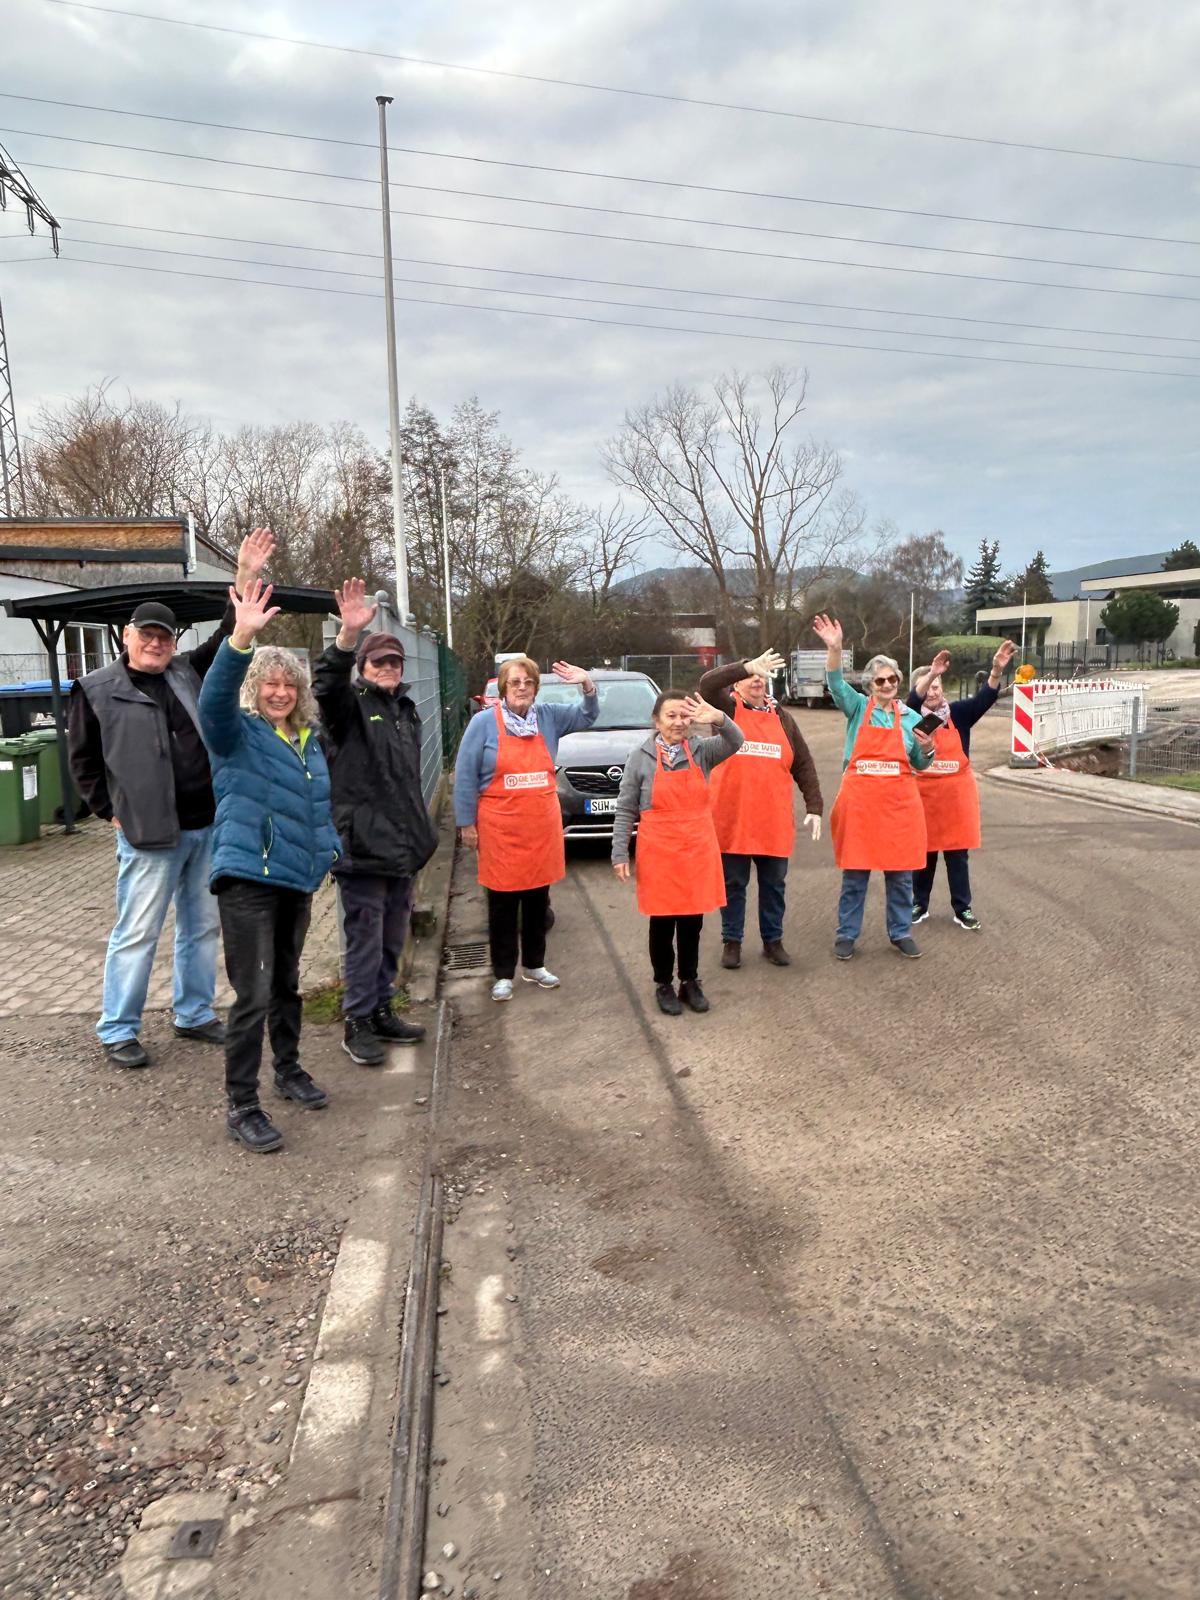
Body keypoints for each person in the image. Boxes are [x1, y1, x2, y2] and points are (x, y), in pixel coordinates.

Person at [68, 528, 276, 1068]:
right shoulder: (95, 690)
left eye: (165, 636)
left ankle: (193, 1013)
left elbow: (232, 634)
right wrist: (108, 811)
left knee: (201, 925)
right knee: (137, 932)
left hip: (206, 827)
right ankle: (118, 1028)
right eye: (148, 635)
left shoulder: (187, 671)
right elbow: (84, 763)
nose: (157, 643)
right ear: (126, 635)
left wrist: (245, 575)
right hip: (148, 834)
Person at [198, 579, 341, 1154]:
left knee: (286, 984)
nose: (280, 692)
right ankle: (242, 1104)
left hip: (295, 880)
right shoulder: (234, 735)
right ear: (253, 688)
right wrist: (241, 638)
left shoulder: (307, 740)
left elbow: (316, 807)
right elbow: (212, 700)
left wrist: (327, 849)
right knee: (252, 993)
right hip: (248, 881)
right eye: (269, 683)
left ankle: (288, 1069)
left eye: (289, 684)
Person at [313, 579, 437, 1065]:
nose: (387, 669)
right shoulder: (349, 710)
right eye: (378, 662)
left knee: (390, 937)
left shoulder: (406, 711)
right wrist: (346, 637)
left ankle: (383, 1008)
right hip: (363, 850)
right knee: (363, 940)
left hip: (402, 850)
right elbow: (326, 685)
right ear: (363, 669)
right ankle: (357, 1020)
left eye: (394, 662)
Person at [454, 655, 598, 1001]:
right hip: (500, 828)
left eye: (528, 682)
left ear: (536, 687)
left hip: (540, 828)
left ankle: (535, 965)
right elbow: (465, 775)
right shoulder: (484, 724)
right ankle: (503, 973)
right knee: (502, 903)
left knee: (537, 900)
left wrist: (587, 684)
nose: (521, 687)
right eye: (515, 682)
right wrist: (465, 824)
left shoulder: (548, 717)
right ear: (503, 687)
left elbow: (588, 715)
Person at [811, 614, 936, 961]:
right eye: (879, 680)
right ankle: (847, 935)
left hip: (898, 807)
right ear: (869, 685)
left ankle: (900, 932)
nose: (886, 684)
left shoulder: (911, 719)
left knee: (900, 876)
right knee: (856, 876)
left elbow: (921, 764)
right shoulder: (857, 708)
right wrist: (834, 648)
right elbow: (835, 682)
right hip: (861, 807)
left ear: (898, 682)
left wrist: (926, 748)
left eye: (892, 679)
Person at [611, 691, 743, 1015]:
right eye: (670, 716)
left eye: (684, 716)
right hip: (659, 852)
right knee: (662, 923)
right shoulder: (640, 757)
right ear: (656, 720)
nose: (679, 723)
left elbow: (736, 740)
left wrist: (718, 718)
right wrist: (618, 853)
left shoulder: (702, 751)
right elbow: (626, 807)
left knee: (691, 923)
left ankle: (689, 980)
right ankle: (663, 983)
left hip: (696, 849)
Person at [700, 648, 824, 969]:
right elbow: (707, 683)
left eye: (760, 675)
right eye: (748, 676)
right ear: (736, 685)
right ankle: (732, 941)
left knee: (774, 886)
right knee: (733, 885)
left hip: (773, 819)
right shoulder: (726, 709)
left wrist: (815, 805)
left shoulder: (782, 717)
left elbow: (804, 764)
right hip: (733, 817)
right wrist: (743, 666)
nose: (755, 680)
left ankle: (773, 941)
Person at [907, 639, 1016, 931]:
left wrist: (995, 671)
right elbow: (911, 701)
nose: (934, 690)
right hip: (925, 798)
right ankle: (919, 903)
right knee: (924, 855)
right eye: (929, 685)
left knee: (957, 856)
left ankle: (962, 907)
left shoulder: (958, 715)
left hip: (956, 800)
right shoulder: (913, 718)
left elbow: (985, 699)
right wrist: (929, 673)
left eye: (937, 685)